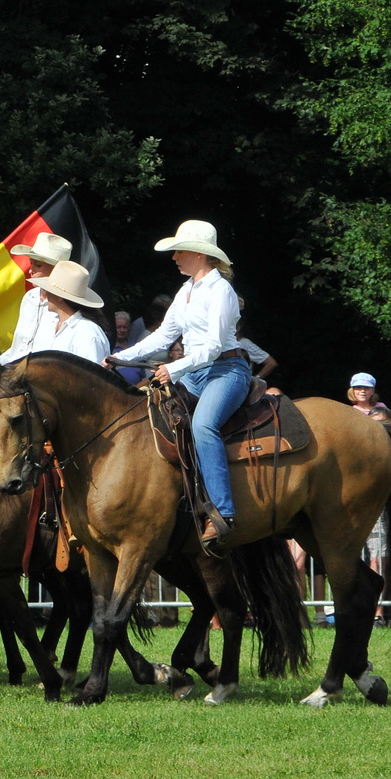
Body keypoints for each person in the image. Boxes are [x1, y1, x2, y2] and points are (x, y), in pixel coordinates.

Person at [107, 219, 247, 551]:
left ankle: (222, 513)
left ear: (199, 254)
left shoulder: (221, 290)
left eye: (179, 251)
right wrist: (117, 358)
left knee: (202, 426)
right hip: (194, 373)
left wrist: (175, 367)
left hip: (226, 370)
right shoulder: (187, 290)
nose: (174, 258)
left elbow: (213, 346)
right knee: (150, 416)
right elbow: (162, 336)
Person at [0, 260, 110, 364]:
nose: (45, 294)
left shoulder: (87, 333)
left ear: (59, 297)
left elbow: (91, 380)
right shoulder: (57, 325)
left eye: (49, 290)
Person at [0, 233, 73, 363]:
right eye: (31, 264)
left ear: (56, 271)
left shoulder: (65, 307)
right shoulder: (29, 298)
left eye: (38, 265)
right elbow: (20, 347)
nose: (31, 270)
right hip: (15, 373)